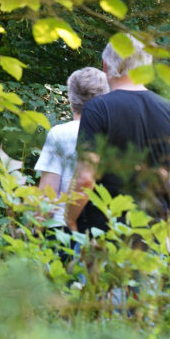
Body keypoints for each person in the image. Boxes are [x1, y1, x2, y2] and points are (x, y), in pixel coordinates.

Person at [65, 38, 170, 235]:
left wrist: (70, 218)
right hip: (151, 236)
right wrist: (163, 212)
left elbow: (85, 179)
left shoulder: (98, 108)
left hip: (102, 233)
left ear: (106, 65)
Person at [35, 67, 110, 229]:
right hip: (105, 229)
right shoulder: (114, 132)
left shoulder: (59, 134)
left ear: (71, 98)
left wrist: (36, 232)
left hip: (61, 227)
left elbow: (47, 194)